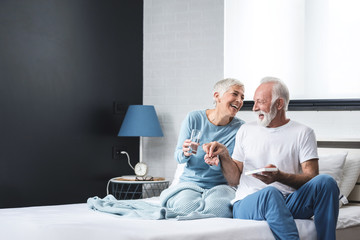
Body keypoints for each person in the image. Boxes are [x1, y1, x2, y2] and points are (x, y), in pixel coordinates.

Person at [203, 77, 339, 240]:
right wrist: (224, 155)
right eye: (254, 102)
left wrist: (280, 176)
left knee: (326, 182)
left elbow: (311, 178)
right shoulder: (246, 130)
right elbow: (234, 180)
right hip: (248, 203)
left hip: (288, 202)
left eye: (260, 102)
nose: (254, 108)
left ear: (279, 104)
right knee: (270, 193)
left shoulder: (303, 132)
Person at [174, 78, 246, 189]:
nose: (239, 100)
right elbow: (179, 157)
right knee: (186, 206)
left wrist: (216, 163)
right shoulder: (194, 118)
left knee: (217, 207)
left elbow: (234, 174)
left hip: (221, 186)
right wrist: (185, 153)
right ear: (217, 96)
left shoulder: (240, 128)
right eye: (235, 94)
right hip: (190, 184)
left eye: (242, 97)